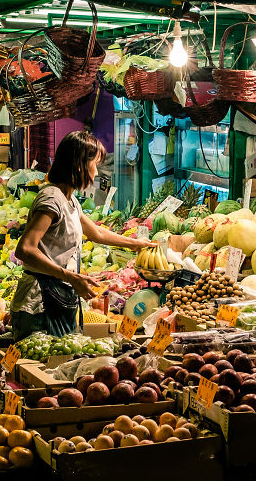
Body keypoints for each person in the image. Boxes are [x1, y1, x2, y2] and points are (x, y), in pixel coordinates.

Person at [11, 131, 153, 341]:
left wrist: (135, 244)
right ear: (79, 165)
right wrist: (70, 277)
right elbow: (25, 249)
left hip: (58, 294)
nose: (97, 172)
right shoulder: (52, 199)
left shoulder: (69, 200)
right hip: (40, 300)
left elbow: (96, 232)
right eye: (95, 164)